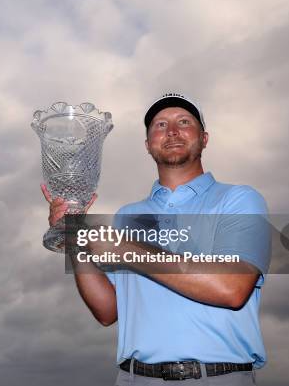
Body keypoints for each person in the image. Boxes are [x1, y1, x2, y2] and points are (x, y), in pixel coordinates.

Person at [41, 94, 271, 385]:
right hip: (134, 377)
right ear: (148, 145)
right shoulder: (129, 215)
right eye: (160, 125)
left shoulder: (238, 199)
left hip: (217, 377)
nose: (172, 130)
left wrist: (124, 248)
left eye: (184, 122)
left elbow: (232, 288)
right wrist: (74, 239)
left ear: (204, 138)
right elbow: (107, 311)